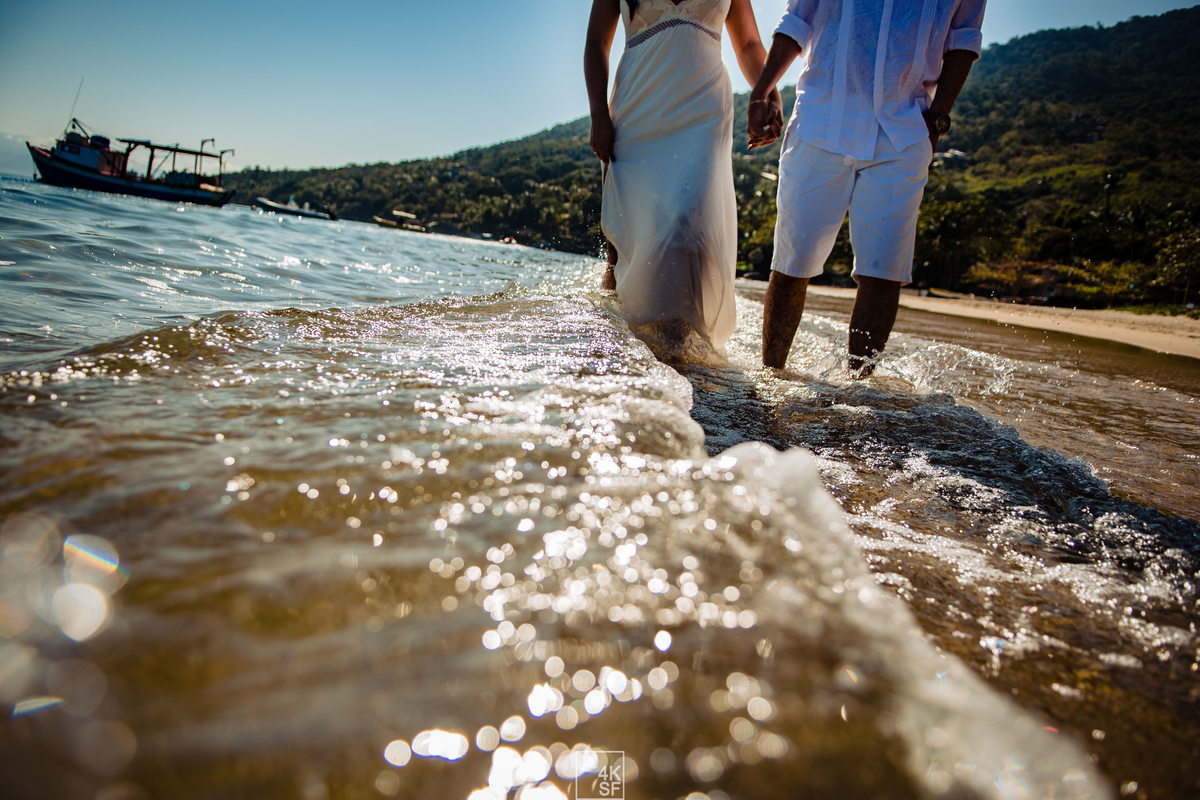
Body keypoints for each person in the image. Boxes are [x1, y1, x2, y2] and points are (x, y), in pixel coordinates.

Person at [747, 0, 986, 373]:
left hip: (904, 131)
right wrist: (762, 92)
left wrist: (938, 117)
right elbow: (797, 22)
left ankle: (855, 395)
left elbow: (964, 39)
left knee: (883, 271)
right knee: (793, 261)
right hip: (821, 121)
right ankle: (770, 380)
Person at [585, 0, 779, 352]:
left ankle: (679, 345)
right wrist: (598, 112)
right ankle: (619, 344)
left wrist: (768, 92)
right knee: (628, 237)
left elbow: (749, 44)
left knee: (688, 220)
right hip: (637, 108)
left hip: (702, 110)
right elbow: (597, 41)